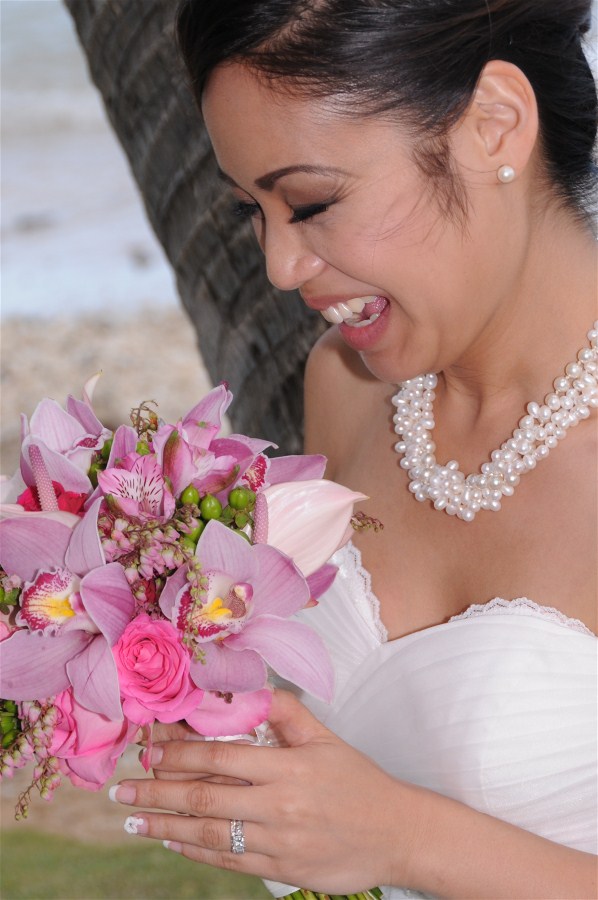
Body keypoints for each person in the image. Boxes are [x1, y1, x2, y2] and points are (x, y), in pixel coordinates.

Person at [108, 1, 598, 896]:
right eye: (254, 210)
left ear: (495, 123)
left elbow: (380, 826)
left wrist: (402, 839)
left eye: (313, 201)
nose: (279, 267)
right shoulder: (348, 387)